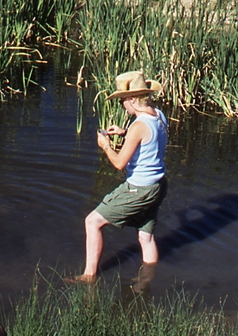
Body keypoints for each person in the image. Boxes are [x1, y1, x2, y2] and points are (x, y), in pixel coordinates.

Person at [70, 70, 168, 285]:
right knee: (146, 237)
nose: (123, 105)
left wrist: (105, 145)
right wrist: (125, 133)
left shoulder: (139, 126)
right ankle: (147, 281)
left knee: (92, 221)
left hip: (139, 189)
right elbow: (148, 140)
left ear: (132, 99)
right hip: (158, 186)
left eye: (123, 100)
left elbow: (118, 163)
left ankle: (88, 277)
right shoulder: (158, 115)